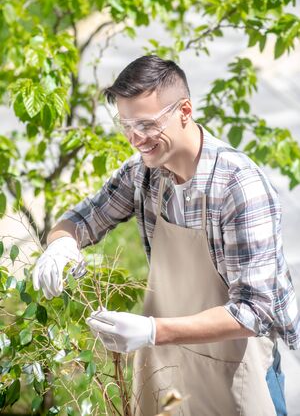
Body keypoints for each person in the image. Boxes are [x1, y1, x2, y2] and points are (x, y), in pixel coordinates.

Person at [33, 55, 300, 415]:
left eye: (146, 124)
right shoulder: (143, 174)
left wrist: (152, 331)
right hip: (168, 364)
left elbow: (254, 312)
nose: (135, 139)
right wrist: (61, 245)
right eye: (126, 125)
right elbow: (81, 219)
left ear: (185, 110)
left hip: (240, 364)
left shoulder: (238, 186)